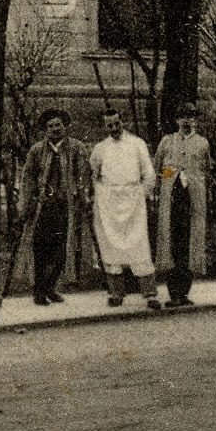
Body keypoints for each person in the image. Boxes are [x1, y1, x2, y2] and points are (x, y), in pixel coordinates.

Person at [89, 107, 161, 310]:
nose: (114, 128)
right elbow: (93, 174)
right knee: (111, 247)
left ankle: (149, 294)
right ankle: (116, 293)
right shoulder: (100, 148)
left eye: (117, 124)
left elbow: (149, 174)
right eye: (109, 125)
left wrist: (140, 195)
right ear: (105, 126)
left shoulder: (137, 144)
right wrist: (100, 195)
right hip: (109, 203)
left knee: (139, 245)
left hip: (133, 201)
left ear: (123, 121)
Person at [16, 107, 89, 305]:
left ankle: (50, 286)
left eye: (58, 125)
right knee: (41, 249)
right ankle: (40, 291)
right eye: (50, 126)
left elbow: (83, 175)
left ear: (65, 126)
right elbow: (28, 177)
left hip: (67, 206)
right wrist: (26, 203)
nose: (55, 129)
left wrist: (84, 197)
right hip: (44, 207)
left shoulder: (76, 148)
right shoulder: (37, 150)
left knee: (63, 249)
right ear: (45, 130)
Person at [154, 102, 210, 307]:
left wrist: (192, 178)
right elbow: (160, 169)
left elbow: (205, 170)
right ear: (177, 120)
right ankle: (173, 292)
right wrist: (174, 173)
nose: (187, 120)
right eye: (183, 116)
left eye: (191, 116)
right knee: (173, 243)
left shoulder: (203, 143)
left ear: (196, 120)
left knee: (189, 243)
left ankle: (184, 292)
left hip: (193, 202)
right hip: (173, 200)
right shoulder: (167, 142)